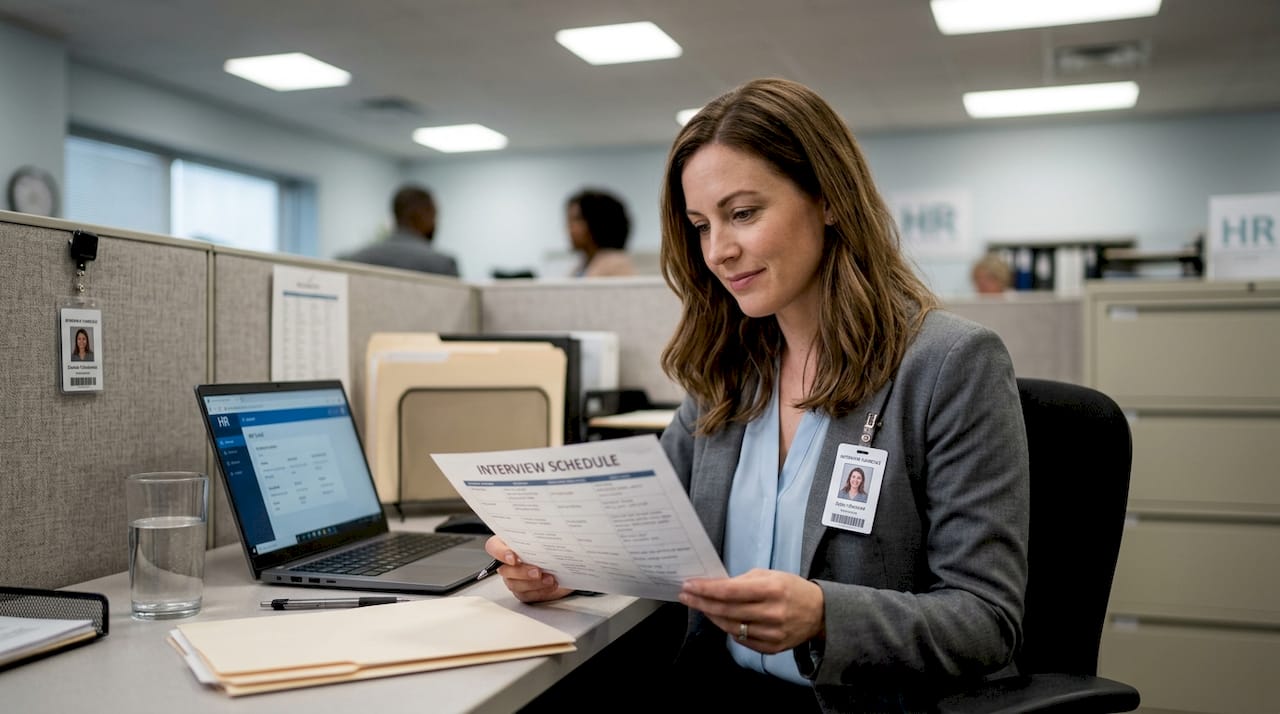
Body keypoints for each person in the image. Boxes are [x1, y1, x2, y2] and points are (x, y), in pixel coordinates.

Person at [484, 78, 1029, 711]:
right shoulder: (727, 371)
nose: (719, 250)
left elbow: (986, 620)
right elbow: (646, 541)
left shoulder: (948, 365)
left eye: (743, 213)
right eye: (700, 225)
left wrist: (827, 614)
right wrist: (559, 568)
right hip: (717, 691)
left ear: (828, 200)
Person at [339, 184, 459, 277]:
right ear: (421, 216)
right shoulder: (442, 265)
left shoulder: (353, 259)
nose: (435, 223)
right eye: (434, 215)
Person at [566, 188, 635, 277]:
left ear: (597, 223)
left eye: (577, 220)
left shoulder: (616, 266)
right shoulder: (581, 266)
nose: (569, 227)